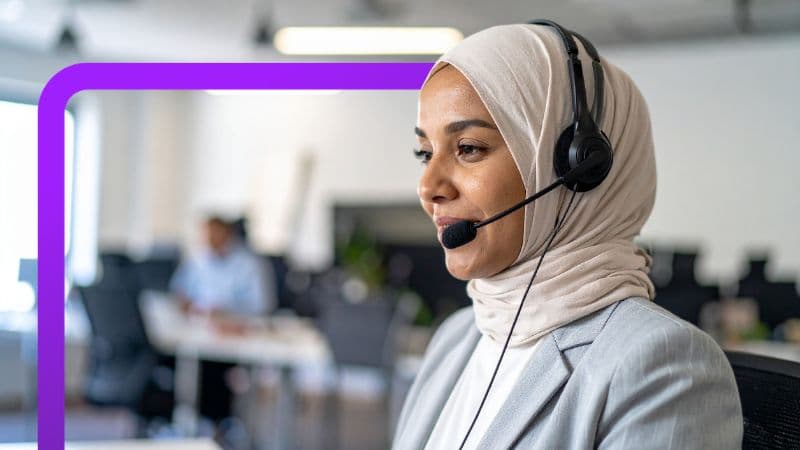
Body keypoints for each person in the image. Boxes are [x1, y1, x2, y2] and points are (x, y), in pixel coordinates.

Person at [392, 22, 743, 449]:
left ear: (577, 168)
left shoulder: (666, 366)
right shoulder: (456, 338)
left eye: (469, 148)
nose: (428, 187)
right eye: (424, 154)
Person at [169, 215, 276, 423]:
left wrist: (228, 312)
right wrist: (186, 303)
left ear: (228, 234)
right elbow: (179, 291)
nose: (207, 239)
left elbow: (263, 306)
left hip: (234, 338)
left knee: (210, 372)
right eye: (205, 234)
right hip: (200, 332)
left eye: (213, 233)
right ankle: (195, 424)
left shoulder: (250, 264)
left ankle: (215, 423)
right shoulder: (199, 259)